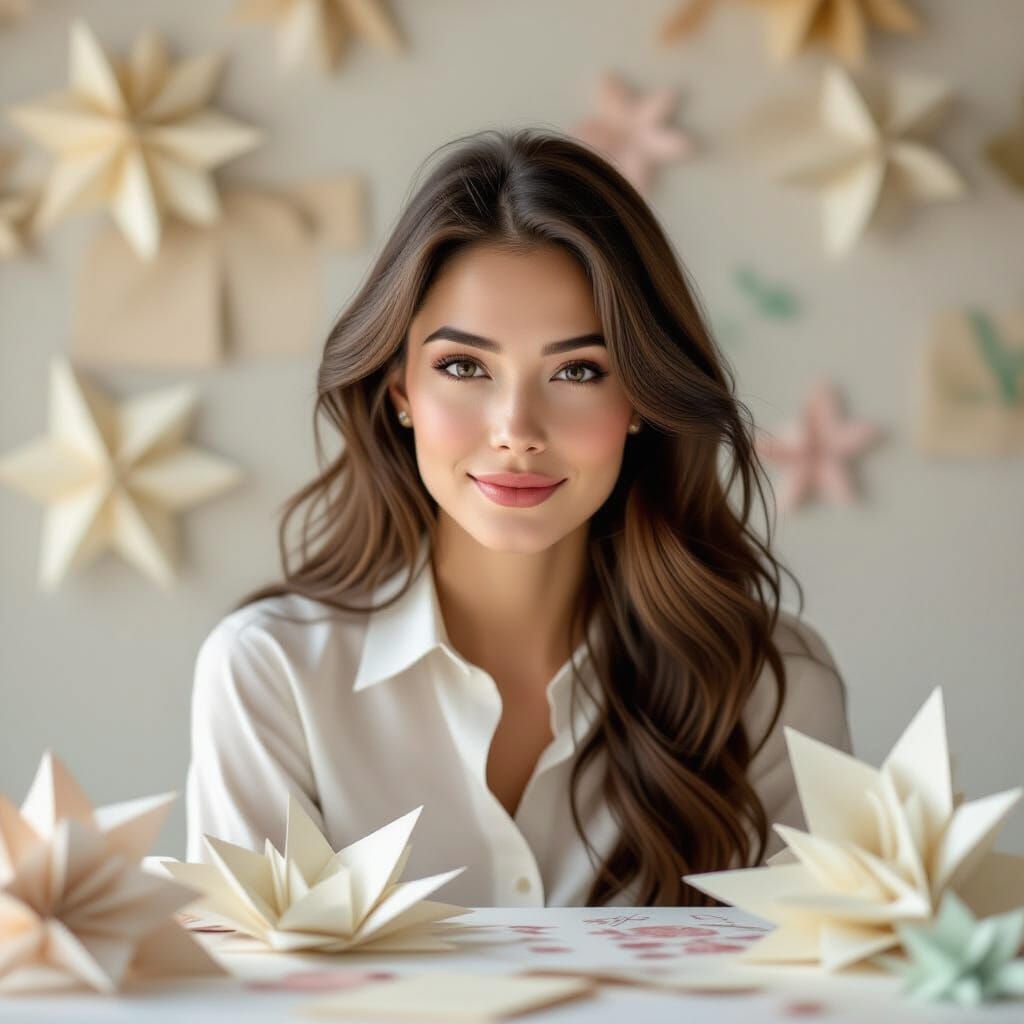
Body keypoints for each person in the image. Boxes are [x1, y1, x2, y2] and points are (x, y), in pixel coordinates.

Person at [185, 127, 852, 908]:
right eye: (463, 366)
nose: (516, 428)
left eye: (578, 370)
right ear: (399, 388)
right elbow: (261, 997)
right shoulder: (271, 676)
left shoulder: (771, 684)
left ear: (638, 398)